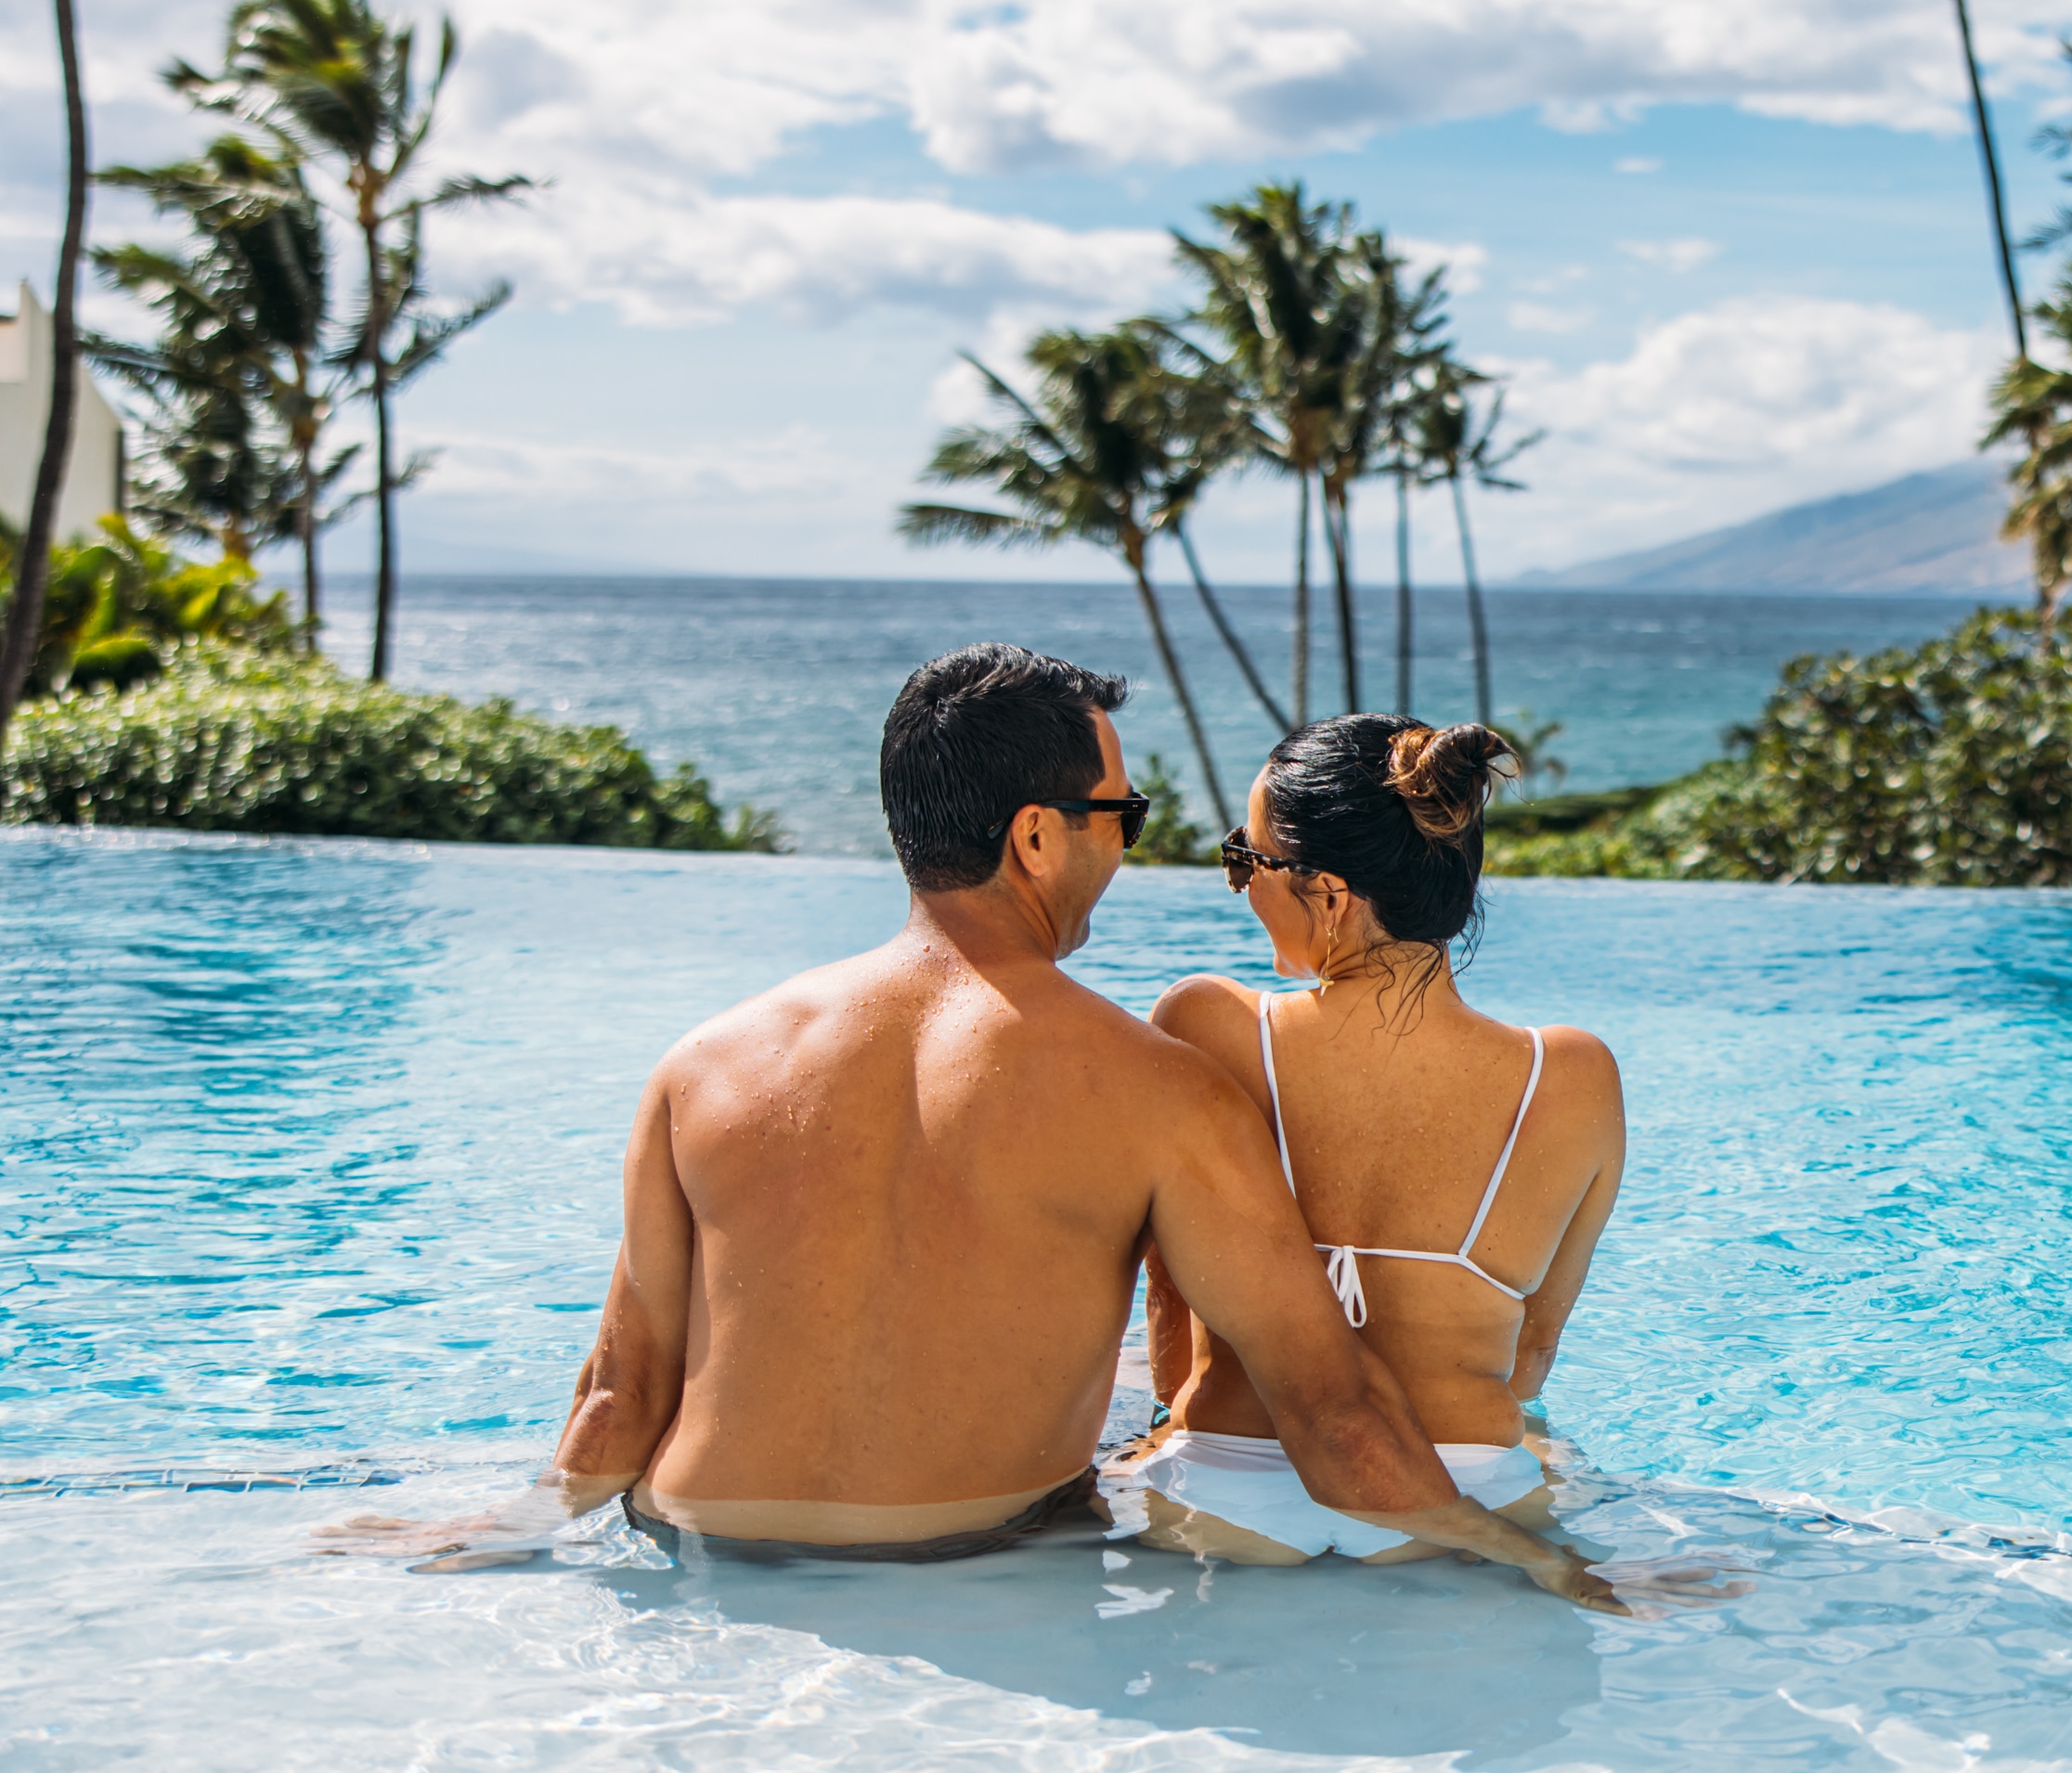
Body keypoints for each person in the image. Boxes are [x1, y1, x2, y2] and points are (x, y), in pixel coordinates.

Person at [330, 646, 1611, 1604]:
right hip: (984, 1565)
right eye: (1127, 818)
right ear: (1039, 835)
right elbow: (1335, 1426)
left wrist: (504, 1525)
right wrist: (1538, 1562)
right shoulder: (1150, 1086)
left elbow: (614, 1403)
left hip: (700, 1553)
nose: (1135, 851)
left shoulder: (701, 1064)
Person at [1120, 716, 1623, 1565]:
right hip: (1470, 1494)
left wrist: (1166, 1432)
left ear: (1328, 894)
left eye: (1247, 860)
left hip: (1227, 1493)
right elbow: (1531, 1355)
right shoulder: (1571, 1076)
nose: (1241, 887)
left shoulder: (1207, 1024)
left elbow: (1171, 1301)